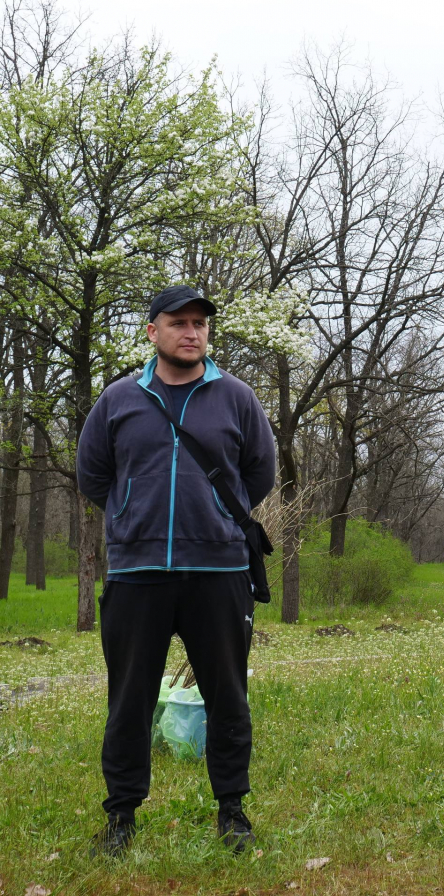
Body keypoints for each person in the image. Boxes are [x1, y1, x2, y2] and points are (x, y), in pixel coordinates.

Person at [76, 285, 276, 858]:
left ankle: (232, 811)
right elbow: (94, 475)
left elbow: (256, 475)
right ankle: (120, 818)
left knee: (228, 698)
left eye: (200, 324)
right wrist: (131, 513)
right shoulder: (117, 401)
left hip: (218, 573)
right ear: (152, 332)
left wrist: (212, 515)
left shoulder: (236, 398)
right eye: (179, 323)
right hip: (137, 573)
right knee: (129, 700)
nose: (192, 333)